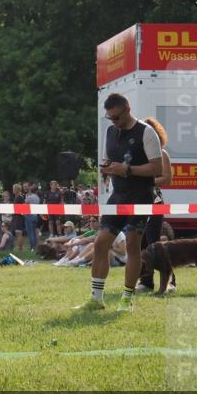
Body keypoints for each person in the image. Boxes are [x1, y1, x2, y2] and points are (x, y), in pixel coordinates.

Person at [77, 94, 163, 311]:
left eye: (116, 117)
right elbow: (108, 160)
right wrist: (106, 169)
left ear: (127, 109)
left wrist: (127, 169)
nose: (113, 121)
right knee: (100, 244)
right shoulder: (109, 132)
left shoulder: (146, 132)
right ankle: (96, 299)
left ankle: (127, 299)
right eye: (110, 117)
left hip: (141, 196)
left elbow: (157, 169)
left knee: (133, 247)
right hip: (118, 195)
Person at [136, 117, 175, 293]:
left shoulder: (162, 154)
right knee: (140, 243)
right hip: (137, 203)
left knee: (155, 243)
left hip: (155, 203)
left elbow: (167, 178)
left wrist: (144, 179)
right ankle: (146, 281)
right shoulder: (137, 155)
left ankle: (170, 281)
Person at [24, 182, 41, 250]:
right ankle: (35, 246)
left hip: (29, 216)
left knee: (30, 233)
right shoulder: (37, 198)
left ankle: (32, 247)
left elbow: (25, 205)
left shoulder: (29, 198)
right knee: (34, 232)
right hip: (35, 216)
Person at [10, 184, 27, 252]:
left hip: (19, 217)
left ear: (17, 189)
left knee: (19, 232)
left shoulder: (20, 197)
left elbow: (24, 206)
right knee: (17, 233)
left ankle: (20, 248)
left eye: (14, 188)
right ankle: (19, 247)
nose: (13, 190)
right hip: (16, 216)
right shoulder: (16, 197)